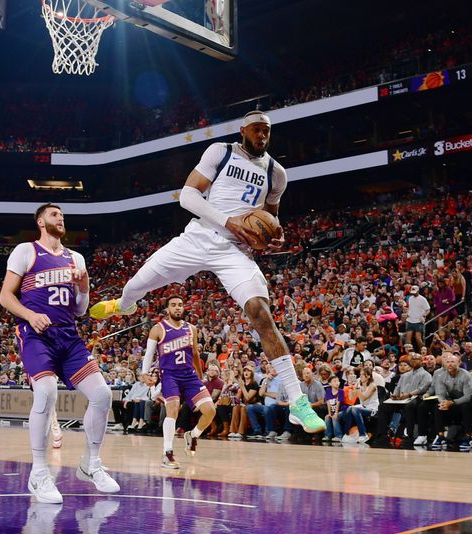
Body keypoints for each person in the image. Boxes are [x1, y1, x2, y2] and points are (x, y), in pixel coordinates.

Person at [89, 111, 325, 434]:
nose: (262, 136)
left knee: (260, 312)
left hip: (235, 251)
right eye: (257, 130)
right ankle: (124, 304)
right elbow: (187, 195)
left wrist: (275, 235)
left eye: (267, 131)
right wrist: (230, 222)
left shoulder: (276, 173)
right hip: (198, 237)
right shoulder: (221, 152)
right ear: (243, 130)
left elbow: (270, 218)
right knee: (136, 283)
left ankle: (298, 402)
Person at [0, 203, 119, 504]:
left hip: (68, 335)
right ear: (41, 222)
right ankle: (39, 473)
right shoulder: (26, 251)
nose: (60, 217)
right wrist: (28, 315)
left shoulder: (75, 258)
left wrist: (84, 285)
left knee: (103, 395)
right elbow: (5, 296)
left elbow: (79, 309)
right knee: (47, 392)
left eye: (62, 214)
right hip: (37, 335)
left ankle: (90, 464)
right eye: (54, 214)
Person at [142, 295, 216, 468]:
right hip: (169, 375)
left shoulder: (192, 329)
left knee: (210, 411)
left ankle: (193, 435)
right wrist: (144, 373)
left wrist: (200, 376)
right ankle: (167, 454)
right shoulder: (158, 329)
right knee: (172, 410)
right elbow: (149, 353)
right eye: (173, 305)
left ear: (183, 308)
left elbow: (196, 355)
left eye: (180, 305)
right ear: (167, 308)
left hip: (189, 375)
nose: (177, 308)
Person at [404, 285, 430, 350]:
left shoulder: (423, 299)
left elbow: (428, 310)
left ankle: (423, 351)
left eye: (414, 291)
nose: (413, 293)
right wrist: (407, 313)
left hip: (419, 321)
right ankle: (410, 353)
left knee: (418, 338)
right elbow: (410, 308)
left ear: (418, 291)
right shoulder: (410, 298)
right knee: (408, 339)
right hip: (410, 320)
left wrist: (424, 316)